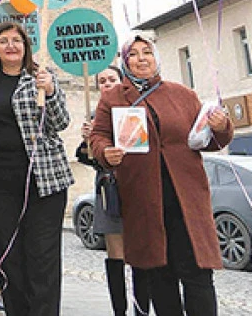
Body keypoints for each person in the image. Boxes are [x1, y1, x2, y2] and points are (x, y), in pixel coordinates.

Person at [90, 33, 234, 316]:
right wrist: (106, 152)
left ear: (156, 58)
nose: (142, 58)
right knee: (160, 275)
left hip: (187, 199)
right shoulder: (113, 98)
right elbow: (98, 136)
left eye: (147, 52)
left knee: (198, 274)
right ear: (124, 61)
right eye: (134, 54)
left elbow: (210, 141)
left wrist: (221, 126)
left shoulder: (182, 94)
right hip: (144, 200)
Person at [0, 21, 73, 316]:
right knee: (9, 259)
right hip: (0, 186)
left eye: (17, 40)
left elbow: (61, 123)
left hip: (44, 183)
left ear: (26, 47)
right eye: (4, 41)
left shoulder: (40, 78)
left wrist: (50, 92)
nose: (11, 45)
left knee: (42, 261)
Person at [75, 66, 150, 316]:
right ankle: (119, 310)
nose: (107, 84)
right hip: (110, 189)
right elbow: (88, 159)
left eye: (112, 79)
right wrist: (90, 143)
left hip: (138, 186)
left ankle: (142, 310)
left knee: (140, 251)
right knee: (115, 251)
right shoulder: (97, 116)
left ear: (122, 81)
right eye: (102, 81)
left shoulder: (136, 107)